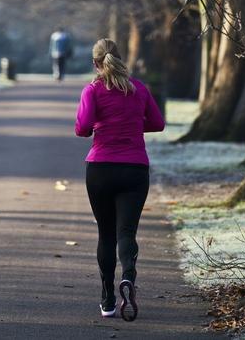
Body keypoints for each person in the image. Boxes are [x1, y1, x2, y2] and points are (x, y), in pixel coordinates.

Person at [75, 38, 165, 322]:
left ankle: (108, 299)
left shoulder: (93, 90)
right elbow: (158, 123)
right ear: (120, 58)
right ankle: (128, 277)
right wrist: (134, 124)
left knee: (106, 234)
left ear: (95, 63)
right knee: (127, 233)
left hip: (101, 169)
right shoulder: (138, 88)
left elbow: (82, 128)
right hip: (135, 169)